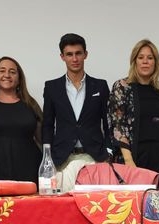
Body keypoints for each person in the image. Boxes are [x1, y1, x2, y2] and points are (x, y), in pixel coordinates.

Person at [42, 33, 110, 191]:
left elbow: (108, 124)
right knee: (63, 208)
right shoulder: (52, 87)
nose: (74, 59)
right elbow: (47, 125)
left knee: (95, 207)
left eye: (78, 53)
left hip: (95, 157)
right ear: (62, 57)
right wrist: (48, 158)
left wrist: (108, 153)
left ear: (85, 54)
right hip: (62, 159)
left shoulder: (100, 86)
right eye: (69, 54)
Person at [108, 39, 159, 181]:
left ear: (156, 62)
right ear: (134, 61)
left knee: (158, 200)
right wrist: (129, 160)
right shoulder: (122, 87)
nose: (145, 61)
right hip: (133, 156)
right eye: (140, 57)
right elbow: (117, 126)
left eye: (150, 58)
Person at [0, 56, 43, 183]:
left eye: (12, 72)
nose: (7, 75)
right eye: (2, 71)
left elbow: (43, 139)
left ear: (19, 79)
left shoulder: (31, 104)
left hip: (29, 170)